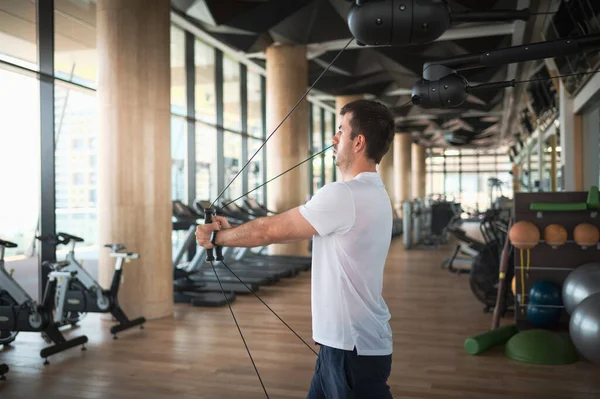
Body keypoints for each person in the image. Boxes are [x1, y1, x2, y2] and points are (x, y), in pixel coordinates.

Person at [196, 99, 395, 399]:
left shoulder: (345, 195)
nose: (334, 138)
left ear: (358, 142)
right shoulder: (371, 192)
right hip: (342, 348)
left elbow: (270, 230)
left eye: (341, 131)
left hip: (352, 352)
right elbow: (289, 231)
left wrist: (217, 238)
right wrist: (232, 232)